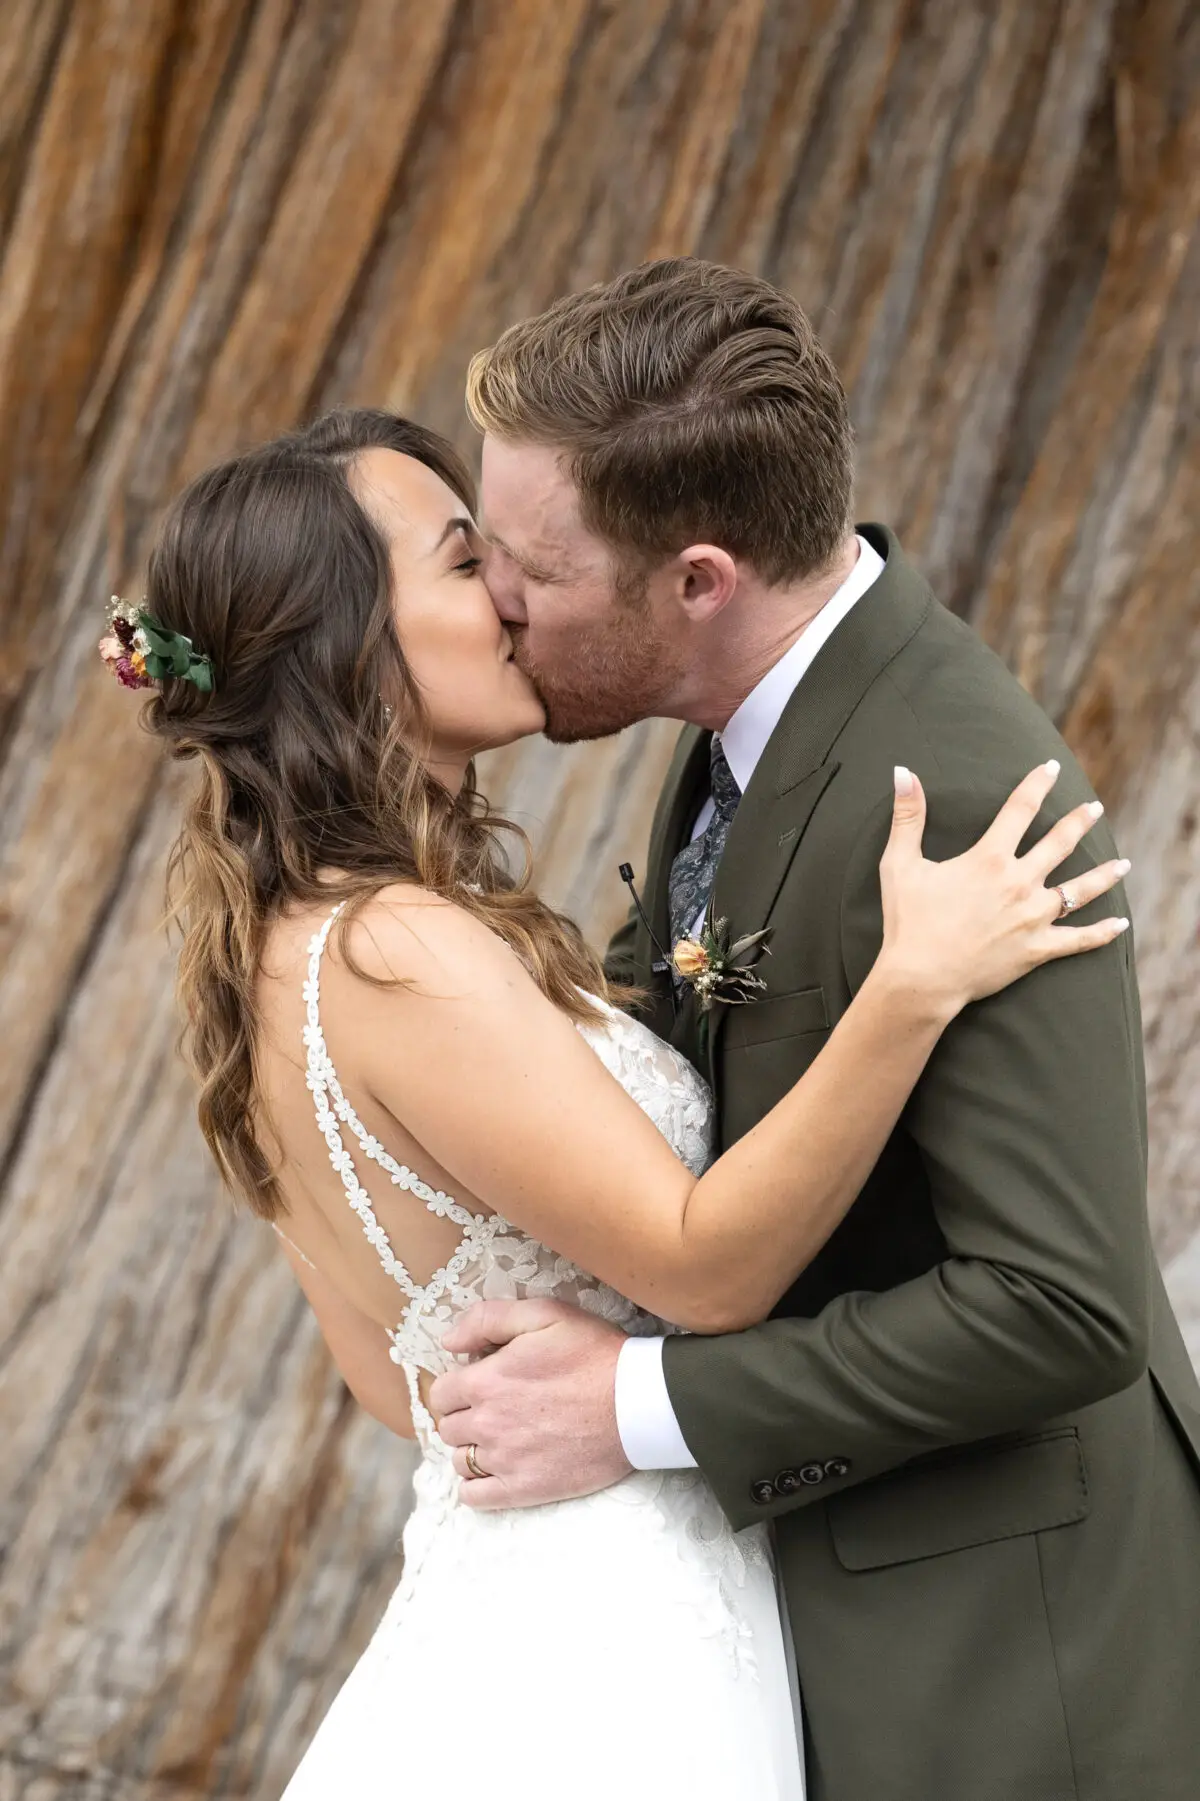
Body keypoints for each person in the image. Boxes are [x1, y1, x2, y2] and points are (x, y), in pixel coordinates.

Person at [101, 404, 1127, 1801]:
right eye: (467, 564)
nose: (513, 599)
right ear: (349, 644)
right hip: (611, 1632)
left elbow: (395, 1375)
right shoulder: (399, 949)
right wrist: (911, 988)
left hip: (519, 1584)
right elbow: (704, 1268)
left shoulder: (285, 948)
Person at [425, 259, 1200, 1801]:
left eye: (530, 570)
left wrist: (636, 1408)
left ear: (697, 578)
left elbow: (1061, 1305)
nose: (496, 605)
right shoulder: (750, 715)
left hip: (1006, 1658)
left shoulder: (955, 797)